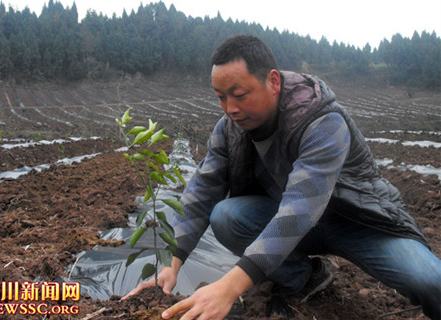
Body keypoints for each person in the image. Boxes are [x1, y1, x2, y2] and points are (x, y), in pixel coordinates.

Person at [122, 34, 441, 320]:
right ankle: (306, 277)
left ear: (273, 81)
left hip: (359, 222)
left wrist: (230, 286)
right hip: (296, 228)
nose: (230, 108)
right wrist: (171, 262)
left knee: (430, 281)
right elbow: (203, 190)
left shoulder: (323, 122)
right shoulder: (230, 129)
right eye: (221, 97)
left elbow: (300, 209)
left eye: (239, 94)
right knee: (226, 216)